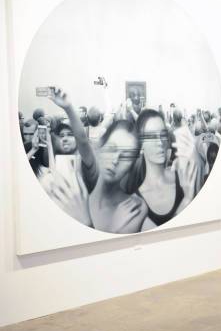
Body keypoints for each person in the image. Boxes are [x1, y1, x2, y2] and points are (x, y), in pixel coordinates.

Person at [49, 88, 148, 233]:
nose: (115, 160)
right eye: (112, 149)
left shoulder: (134, 207)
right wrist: (68, 107)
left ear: (133, 163)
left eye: (126, 155)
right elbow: (82, 140)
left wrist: (85, 221)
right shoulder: (81, 187)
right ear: (101, 147)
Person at [127, 109, 202, 229]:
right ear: (140, 146)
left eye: (162, 134)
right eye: (151, 136)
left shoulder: (183, 179)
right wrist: (186, 200)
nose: (159, 142)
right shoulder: (134, 203)